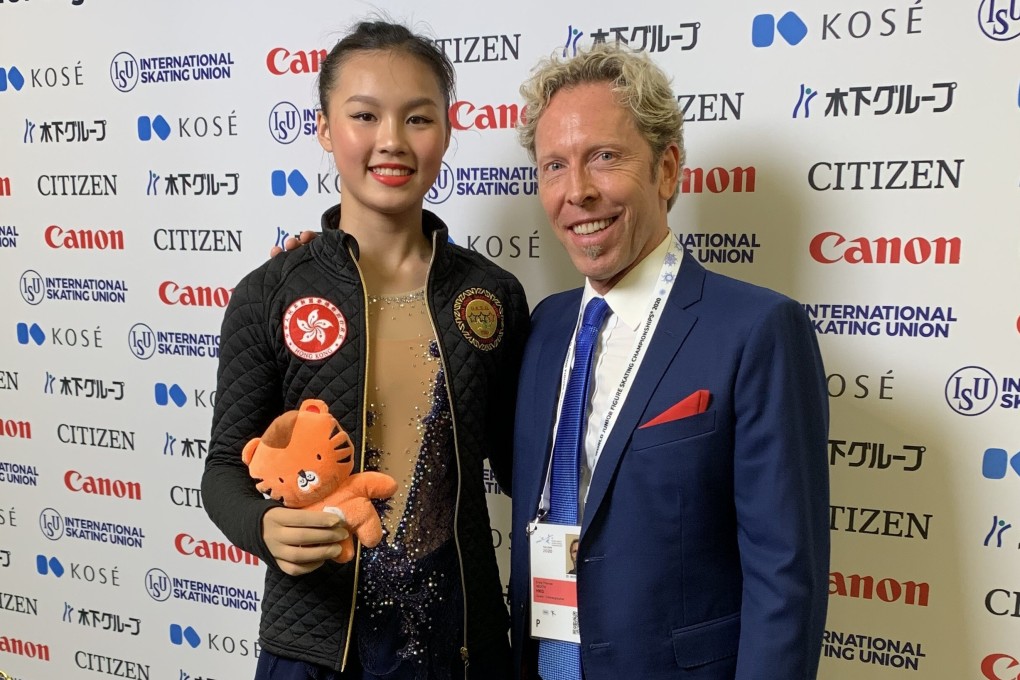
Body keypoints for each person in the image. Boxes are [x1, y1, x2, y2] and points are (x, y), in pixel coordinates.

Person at [202, 20, 528, 680]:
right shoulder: (270, 295)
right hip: (314, 649)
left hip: (462, 643)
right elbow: (222, 470)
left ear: (446, 130)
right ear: (325, 129)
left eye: (417, 118)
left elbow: (528, 469)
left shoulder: (491, 297)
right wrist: (264, 526)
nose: (392, 141)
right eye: (364, 115)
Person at [508, 45, 830, 680]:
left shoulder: (759, 330)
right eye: (555, 166)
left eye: (605, 156)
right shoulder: (545, 326)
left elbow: (785, 578)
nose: (578, 191)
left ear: (667, 169)